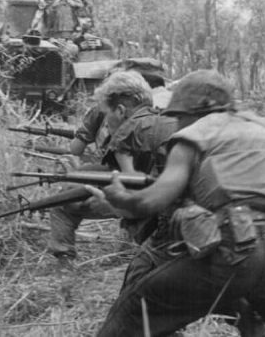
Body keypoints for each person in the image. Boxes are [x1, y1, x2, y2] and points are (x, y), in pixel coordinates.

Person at [85, 70, 265, 337]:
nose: (177, 123)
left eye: (179, 116)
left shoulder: (195, 134)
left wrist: (120, 198)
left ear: (193, 112)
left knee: (135, 309)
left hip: (235, 252)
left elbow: (152, 201)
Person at [48, 71, 177, 262]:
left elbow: (132, 187)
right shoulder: (169, 119)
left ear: (121, 110)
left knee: (61, 202)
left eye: (107, 114)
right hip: (179, 200)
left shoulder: (126, 133)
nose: (106, 123)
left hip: (158, 207)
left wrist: (111, 204)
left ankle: (64, 257)